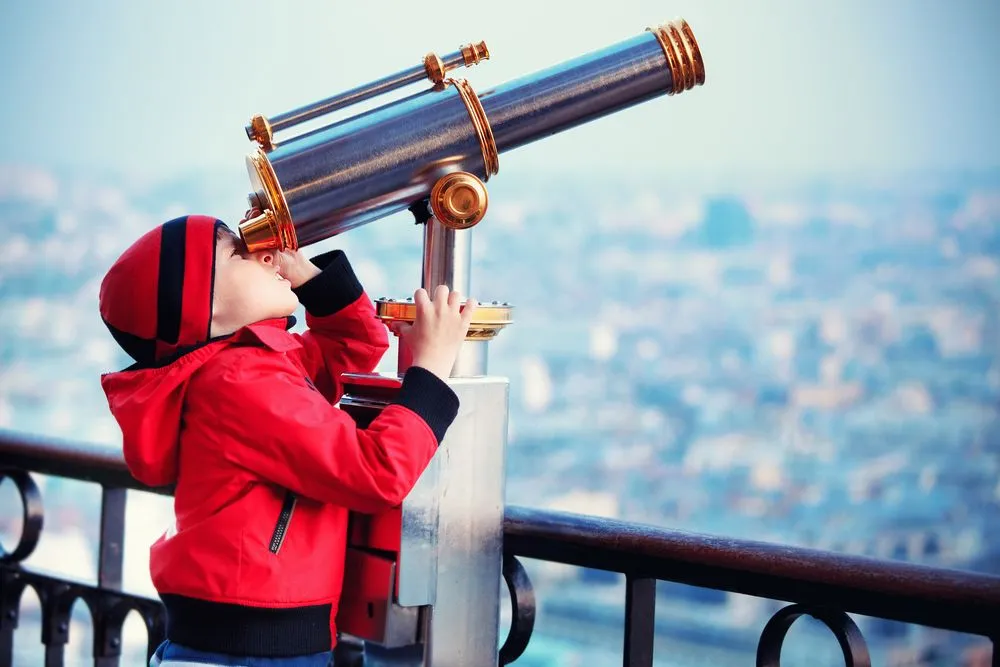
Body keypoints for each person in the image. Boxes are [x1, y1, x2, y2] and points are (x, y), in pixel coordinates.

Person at [98, 212, 475, 666]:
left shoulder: (253, 364)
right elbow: (376, 470)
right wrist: (431, 368)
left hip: (245, 640)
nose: (262, 254)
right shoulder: (240, 381)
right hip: (249, 649)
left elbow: (351, 348)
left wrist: (306, 275)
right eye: (239, 253)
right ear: (203, 305)